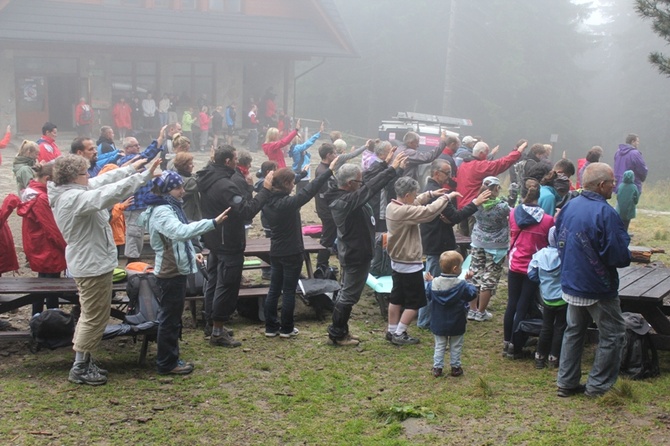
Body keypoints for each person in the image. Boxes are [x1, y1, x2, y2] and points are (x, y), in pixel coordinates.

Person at [49, 153, 160, 386]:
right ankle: (79, 366)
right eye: (84, 172)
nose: (88, 176)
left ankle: (84, 360)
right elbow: (107, 193)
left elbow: (101, 182)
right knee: (94, 317)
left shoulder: (74, 191)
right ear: (72, 177)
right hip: (91, 265)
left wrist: (129, 169)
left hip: (92, 262)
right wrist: (143, 176)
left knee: (93, 315)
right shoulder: (72, 199)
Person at [140, 171, 229, 375]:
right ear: (166, 190)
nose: (183, 191)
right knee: (169, 319)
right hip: (170, 272)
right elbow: (179, 232)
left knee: (171, 317)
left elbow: (179, 236)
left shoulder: (169, 207)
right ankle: (167, 363)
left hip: (174, 267)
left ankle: (170, 358)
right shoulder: (163, 211)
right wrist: (212, 223)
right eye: (178, 187)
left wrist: (193, 255)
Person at [555, 162, 631, 398]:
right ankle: (598, 387)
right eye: (612, 183)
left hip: (571, 281)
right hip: (597, 286)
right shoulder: (606, 213)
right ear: (601, 185)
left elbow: (558, 238)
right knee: (613, 333)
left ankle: (566, 383)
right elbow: (616, 255)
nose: (614, 187)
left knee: (574, 331)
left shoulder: (569, 206)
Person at [325, 150, 408, 346]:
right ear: (350, 184)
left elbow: (369, 180)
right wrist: (392, 170)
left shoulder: (348, 194)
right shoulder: (344, 202)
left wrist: (386, 165)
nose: (362, 184)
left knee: (347, 292)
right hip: (355, 253)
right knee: (349, 295)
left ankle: (341, 331)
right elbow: (370, 187)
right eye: (359, 182)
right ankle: (337, 334)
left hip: (357, 251)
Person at [197, 145, 273, 347]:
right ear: (228, 161)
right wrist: (264, 190)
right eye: (235, 158)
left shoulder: (208, 177)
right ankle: (218, 332)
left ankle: (211, 324)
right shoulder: (225, 185)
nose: (238, 161)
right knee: (227, 285)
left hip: (213, 239)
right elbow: (246, 211)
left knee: (213, 282)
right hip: (228, 241)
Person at [263, 160, 339, 338]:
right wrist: (329, 172)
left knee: (274, 289)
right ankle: (287, 328)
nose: (293, 186)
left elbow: (303, 189)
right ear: (286, 185)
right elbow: (309, 190)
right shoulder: (287, 204)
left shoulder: (266, 202)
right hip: (291, 251)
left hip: (275, 251)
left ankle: (271, 326)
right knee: (289, 290)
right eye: (291, 183)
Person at [385, 176, 457, 345]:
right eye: (415, 193)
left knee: (396, 298)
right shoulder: (404, 212)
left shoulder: (392, 206)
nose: (417, 195)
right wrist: (446, 198)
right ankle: (400, 333)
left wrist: (430, 193)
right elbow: (428, 212)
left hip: (397, 261)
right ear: (408, 194)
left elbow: (414, 203)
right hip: (409, 263)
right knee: (415, 302)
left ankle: (391, 330)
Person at [418, 160, 489, 329]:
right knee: (433, 283)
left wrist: (448, 219)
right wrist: (475, 203)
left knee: (433, 280)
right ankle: (425, 320)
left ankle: (428, 317)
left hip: (435, 239)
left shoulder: (430, 189)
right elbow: (455, 217)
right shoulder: (436, 193)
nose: (450, 177)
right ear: (436, 173)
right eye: (447, 173)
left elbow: (450, 218)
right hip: (437, 242)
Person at [506, 178, 554, 359]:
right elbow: (549, 242)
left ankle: (506, 341)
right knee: (523, 304)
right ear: (539, 198)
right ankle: (515, 344)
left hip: (514, 263)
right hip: (532, 268)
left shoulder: (513, 214)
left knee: (512, 303)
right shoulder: (548, 220)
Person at [16, 163, 67, 315]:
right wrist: (67, 247)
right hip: (49, 249)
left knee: (42, 285)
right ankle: (51, 321)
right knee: (51, 288)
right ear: (48, 179)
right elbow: (52, 229)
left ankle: (38, 317)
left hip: (38, 247)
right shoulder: (41, 198)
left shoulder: (30, 194)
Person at [424, 250, 478, 378]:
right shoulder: (462, 285)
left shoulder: (434, 284)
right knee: (456, 345)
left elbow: (428, 294)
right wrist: (469, 281)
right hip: (457, 321)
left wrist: (430, 281)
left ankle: (437, 367)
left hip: (438, 321)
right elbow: (472, 294)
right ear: (455, 269)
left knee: (440, 345)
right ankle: (455, 367)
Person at [117, 130, 168, 264]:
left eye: (138, 145)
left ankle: (135, 259)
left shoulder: (133, 161)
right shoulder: (129, 161)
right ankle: (132, 261)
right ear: (127, 149)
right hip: (134, 205)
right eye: (135, 145)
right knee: (134, 233)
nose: (138, 147)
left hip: (140, 204)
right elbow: (146, 156)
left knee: (137, 233)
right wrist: (159, 140)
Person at [456, 141, 526, 236]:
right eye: (486, 154)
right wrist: (517, 152)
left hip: (461, 207)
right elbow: (500, 164)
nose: (486, 157)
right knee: (473, 238)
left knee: (461, 237)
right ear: (481, 154)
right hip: (473, 207)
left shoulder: (464, 165)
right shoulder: (478, 166)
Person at [527, 226, 566, 369]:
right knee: (560, 327)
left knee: (546, 326)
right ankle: (554, 357)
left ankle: (539, 356)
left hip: (546, 297)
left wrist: (544, 281)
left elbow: (531, 275)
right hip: (562, 298)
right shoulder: (565, 255)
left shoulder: (540, 254)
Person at [289, 121, 323, 191]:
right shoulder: (297, 149)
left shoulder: (299, 150)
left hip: (303, 174)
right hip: (302, 174)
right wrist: (319, 133)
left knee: (300, 192)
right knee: (303, 193)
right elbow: (309, 142)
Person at [172, 152, 201, 222]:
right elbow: (201, 179)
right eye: (190, 164)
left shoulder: (182, 175)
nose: (193, 166)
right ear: (184, 166)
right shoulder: (185, 181)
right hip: (188, 217)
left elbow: (198, 175)